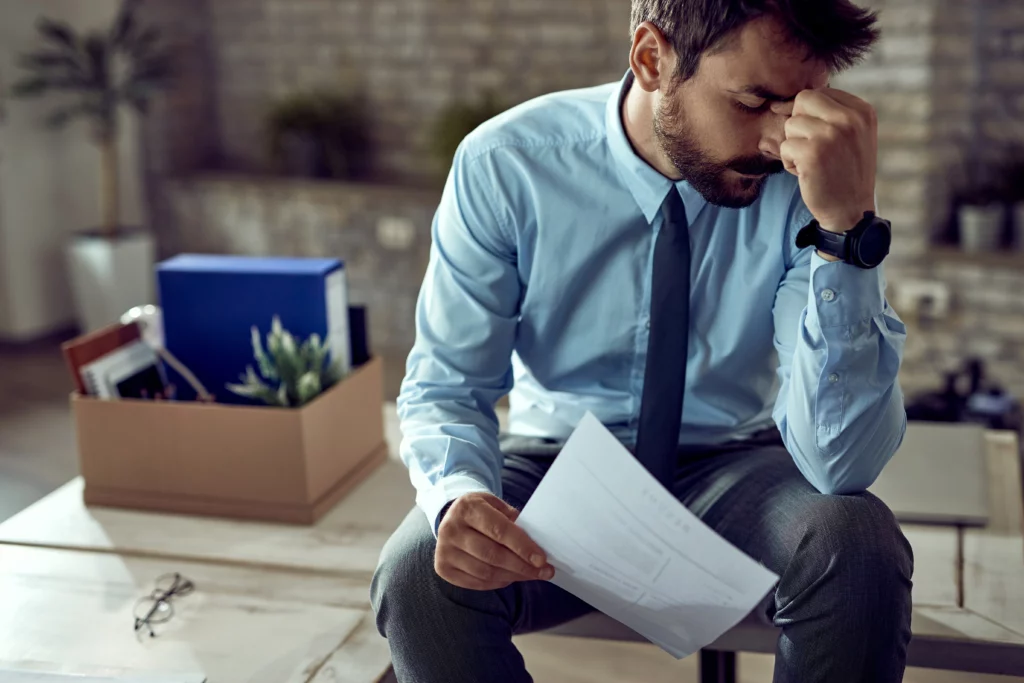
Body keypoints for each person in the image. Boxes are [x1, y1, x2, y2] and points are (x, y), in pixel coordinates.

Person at [372, 0, 913, 681]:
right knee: (419, 569)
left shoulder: (810, 183)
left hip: (732, 470)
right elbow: (447, 382)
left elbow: (842, 463)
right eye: (753, 102)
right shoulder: (506, 166)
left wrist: (844, 232)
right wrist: (457, 493)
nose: (780, 140)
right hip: (554, 465)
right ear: (652, 58)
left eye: (800, 106)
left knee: (856, 542)